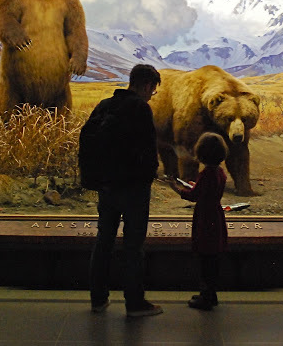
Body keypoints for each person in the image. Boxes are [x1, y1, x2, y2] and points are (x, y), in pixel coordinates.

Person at [87, 64, 163, 317]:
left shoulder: (104, 105)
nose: (152, 94)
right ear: (146, 85)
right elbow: (149, 150)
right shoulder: (141, 109)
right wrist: (148, 176)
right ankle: (135, 303)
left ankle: (98, 299)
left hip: (106, 187)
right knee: (133, 246)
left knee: (104, 241)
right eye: (153, 89)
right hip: (133, 189)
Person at [168, 132, 229, 310]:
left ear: (201, 153)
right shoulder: (220, 172)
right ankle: (210, 293)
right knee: (212, 259)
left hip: (205, 218)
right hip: (216, 216)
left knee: (205, 258)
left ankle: (206, 297)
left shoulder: (206, 174)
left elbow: (194, 195)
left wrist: (176, 188)